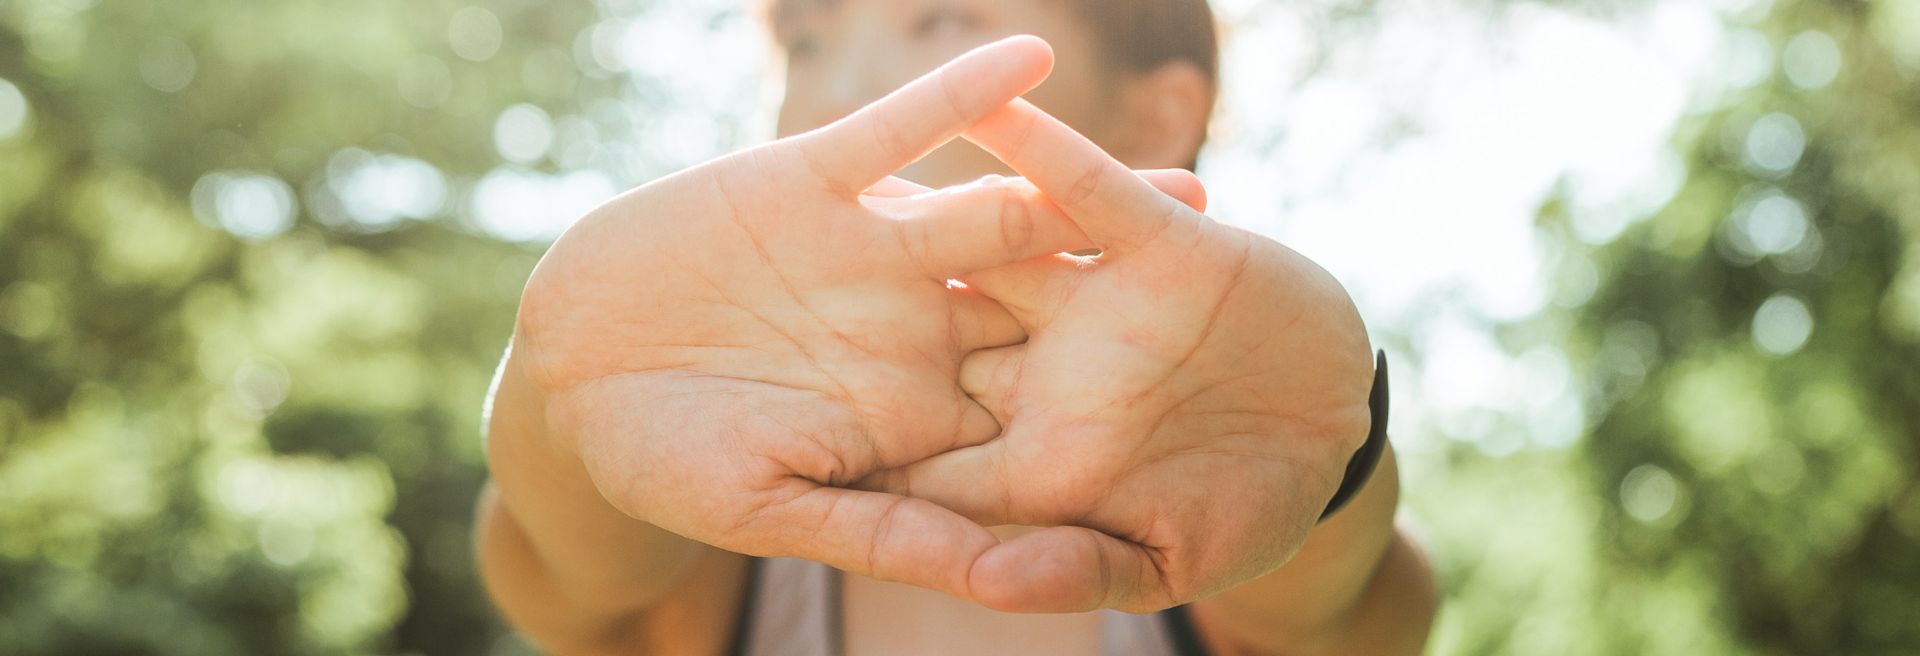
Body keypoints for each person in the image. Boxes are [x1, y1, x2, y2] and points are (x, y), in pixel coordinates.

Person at [475, 1, 1438, 654]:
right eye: (807, 41)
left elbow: (1343, 608)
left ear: (1155, 117)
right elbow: (568, 576)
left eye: (939, 17)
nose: (834, 84)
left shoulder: (1205, 565)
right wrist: (558, 391)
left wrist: (1327, 469)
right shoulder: (730, 520)